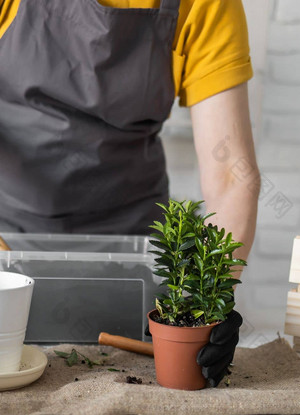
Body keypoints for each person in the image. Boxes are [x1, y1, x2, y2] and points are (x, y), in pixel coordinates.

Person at [0, 0, 261, 385]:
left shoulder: (207, 4)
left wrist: (210, 301)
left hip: (136, 260)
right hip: (10, 240)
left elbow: (231, 176)